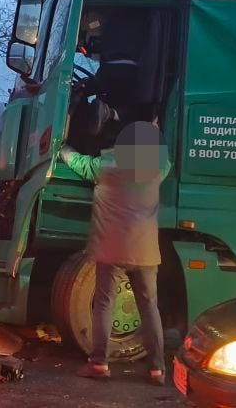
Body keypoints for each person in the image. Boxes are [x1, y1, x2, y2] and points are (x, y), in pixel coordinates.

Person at [59, 119, 171, 385]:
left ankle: (99, 363)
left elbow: (79, 163)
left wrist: (62, 148)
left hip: (112, 249)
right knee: (149, 306)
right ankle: (157, 369)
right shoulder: (157, 168)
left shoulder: (108, 166)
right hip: (145, 251)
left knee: (104, 304)